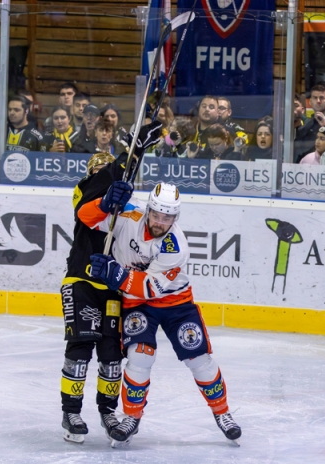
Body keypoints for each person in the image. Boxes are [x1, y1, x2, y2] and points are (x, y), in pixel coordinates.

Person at [78, 180, 242, 445]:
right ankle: (132, 417)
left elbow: (149, 288)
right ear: (149, 210)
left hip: (176, 304)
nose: (160, 222)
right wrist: (106, 203)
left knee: (199, 359)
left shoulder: (176, 246)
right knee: (140, 356)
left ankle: (222, 413)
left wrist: (115, 274)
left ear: (175, 217)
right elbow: (85, 218)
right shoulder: (129, 213)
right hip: (137, 304)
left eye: (167, 218)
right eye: (156, 215)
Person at [60, 122, 163, 445]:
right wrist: (126, 161)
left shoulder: (127, 207)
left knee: (111, 354)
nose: (102, 171)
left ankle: (107, 409)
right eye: (98, 169)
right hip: (82, 281)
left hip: (114, 288)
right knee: (80, 347)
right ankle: (71, 411)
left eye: (108, 168)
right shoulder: (84, 189)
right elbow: (86, 214)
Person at [294, 85, 325, 162]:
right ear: (310, 102)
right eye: (315, 98)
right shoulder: (303, 127)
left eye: (322, 98)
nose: (318, 101)